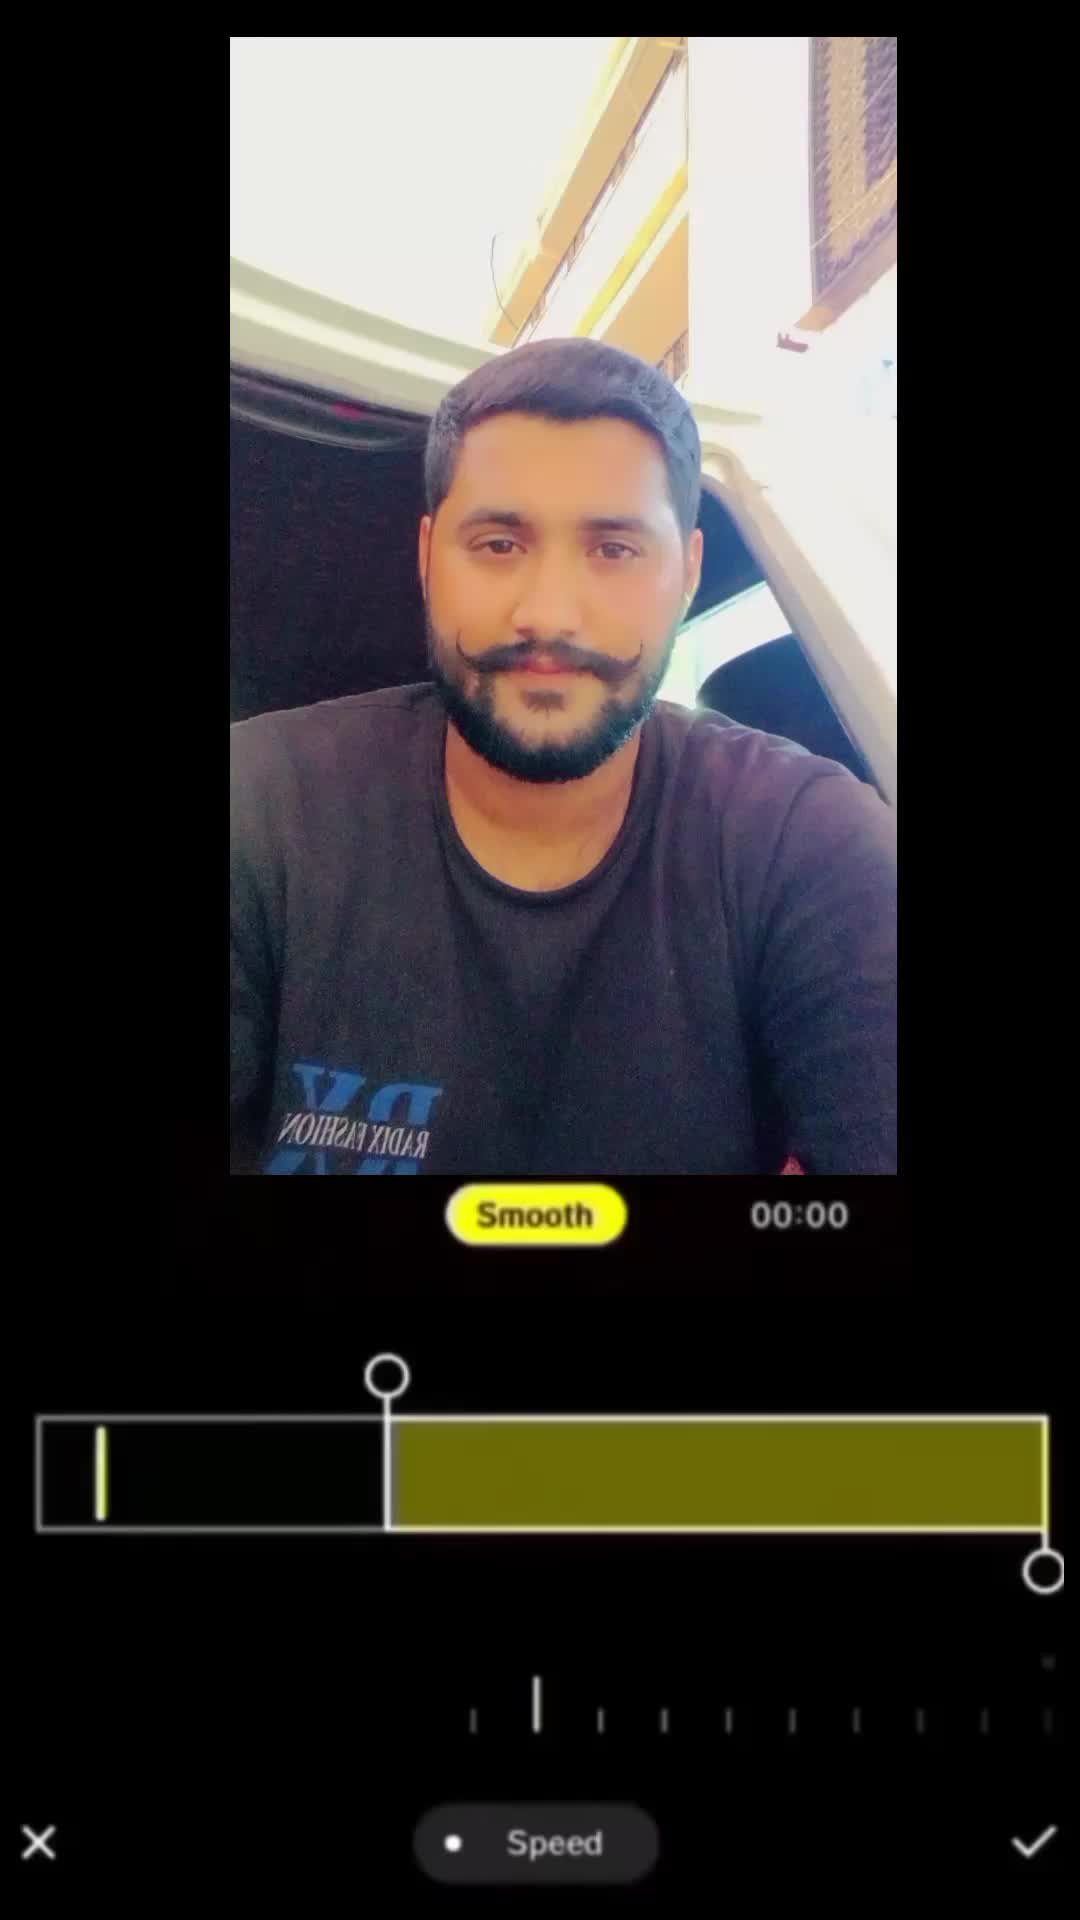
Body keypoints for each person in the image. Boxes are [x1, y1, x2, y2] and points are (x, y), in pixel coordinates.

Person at [231, 337, 896, 1176]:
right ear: (428, 557)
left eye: (614, 549)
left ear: (688, 572)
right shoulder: (259, 809)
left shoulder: (808, 842)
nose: (548, 614)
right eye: (499, 544)